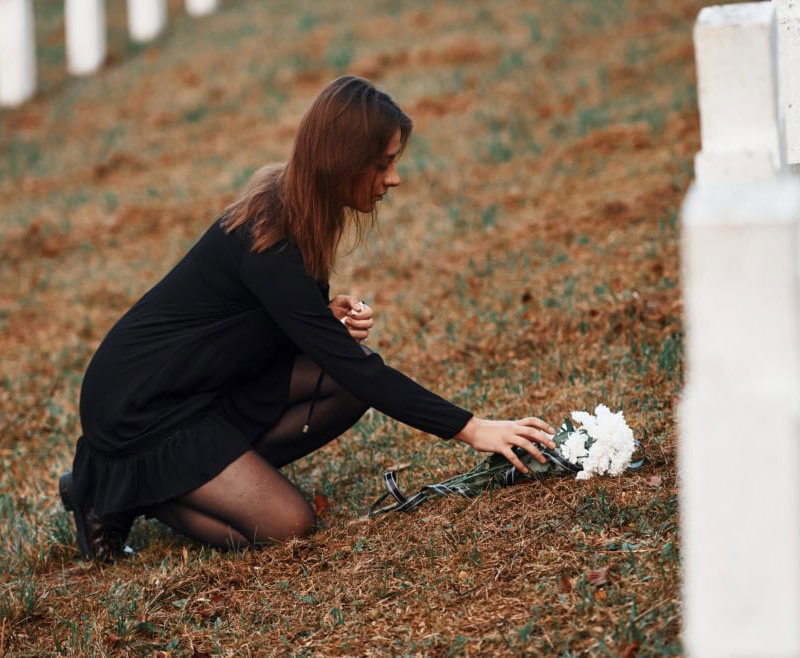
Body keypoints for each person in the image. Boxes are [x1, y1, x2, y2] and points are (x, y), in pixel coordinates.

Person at [59, 75, 556, 561]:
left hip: (199, 390)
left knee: (344, 381)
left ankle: (193, 478)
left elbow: (250, 326)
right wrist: (470, 428)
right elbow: (353, 364)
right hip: (140, 408)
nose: (394, 178)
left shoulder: (298, 200)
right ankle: (116, 492)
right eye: (382, 164)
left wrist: (316, 316)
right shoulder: (269, 236)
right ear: (342, 161)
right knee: (288, 524)